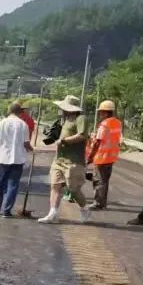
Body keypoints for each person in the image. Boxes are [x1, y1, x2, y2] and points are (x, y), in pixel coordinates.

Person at [38, 95, 91, 224]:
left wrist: (64, 141)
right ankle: (52, 213)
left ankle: (84, 208)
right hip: (59, 159)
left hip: (73, 161)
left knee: (73, 189)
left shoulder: (81, 118)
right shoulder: (65, 119)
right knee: (55, 185)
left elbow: (82, 135)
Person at [0, 101, 33, 217]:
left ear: (9, 111)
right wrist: (32, 151)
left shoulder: (2, 123)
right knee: (13, 185)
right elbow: (26, 144)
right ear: (20, 112)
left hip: (3, 158)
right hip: (18, 160)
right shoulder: (23, 125)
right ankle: (7, 211)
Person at [86, 100, 122, 210]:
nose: (100, 114)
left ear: (106, 113)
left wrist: (90, 157)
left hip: (101, 157)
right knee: (104, 181)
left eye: (101, 112)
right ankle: (102, 202)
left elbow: (98, 142)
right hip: (111, 157)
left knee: (99, 181)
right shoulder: (118, 123)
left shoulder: (104, 125)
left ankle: (98, 203)